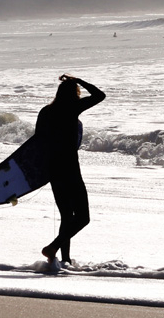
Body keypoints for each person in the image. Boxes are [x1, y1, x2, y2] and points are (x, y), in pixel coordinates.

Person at [37, 73, 105, 266]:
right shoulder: (72, 108)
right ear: (75, 94)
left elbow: (38, 142)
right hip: (70, 169)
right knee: (83, 218)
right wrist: (80, 80)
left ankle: (64, 259)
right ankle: (53, 247)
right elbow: (100, 95)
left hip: (53, 169)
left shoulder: (46, 112)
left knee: (67, 217)